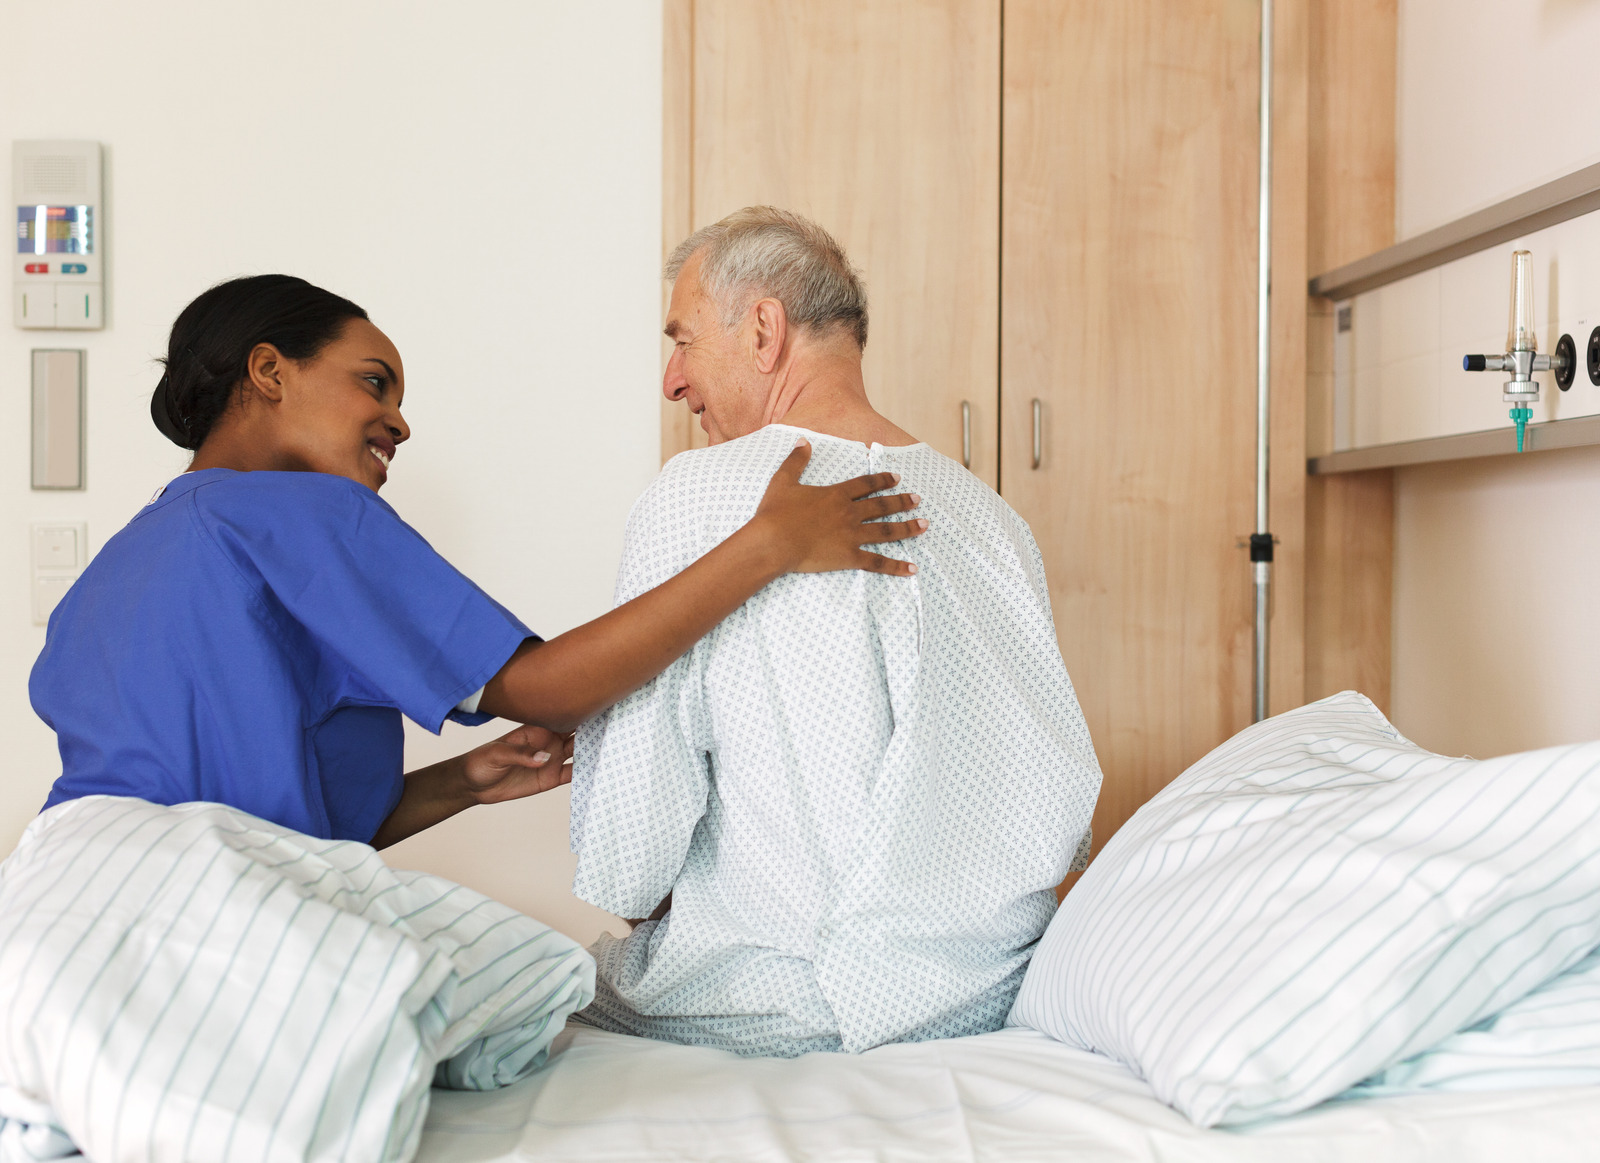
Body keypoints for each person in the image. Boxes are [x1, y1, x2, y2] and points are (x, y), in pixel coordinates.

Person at [29, 274, 927, 848]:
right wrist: (770, 543)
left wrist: (463, 779)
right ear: (269, 372)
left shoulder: (115, 571)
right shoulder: (301, 515)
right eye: (373, 382)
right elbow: (547, 689)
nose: (402, 421)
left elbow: (268, 813)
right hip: (195, 906)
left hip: (65, 896)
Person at [569, 207, 1103, 1056]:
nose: (672, 379)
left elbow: (629, 859)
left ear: (764, 330)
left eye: (683, 339)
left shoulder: (698, 496)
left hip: (771, 1003)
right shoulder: (991, 519)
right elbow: (1054, 811)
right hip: (977, 1003)